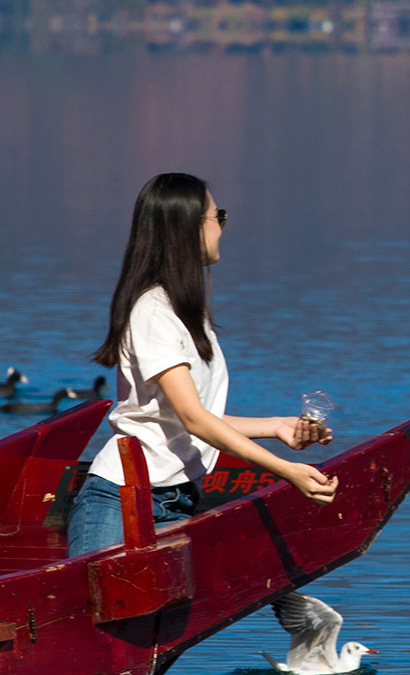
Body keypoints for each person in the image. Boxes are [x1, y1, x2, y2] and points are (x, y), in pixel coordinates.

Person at [67, 172, 336, 555]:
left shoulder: (188, 315)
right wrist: (284, 470)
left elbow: (187, 419)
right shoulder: (154, 312)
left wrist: (277, 427)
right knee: (92, 610)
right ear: (189, 228)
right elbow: (195, 419)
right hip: (123, 500)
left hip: (176, 500)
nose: (222, 228)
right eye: (218, 217)